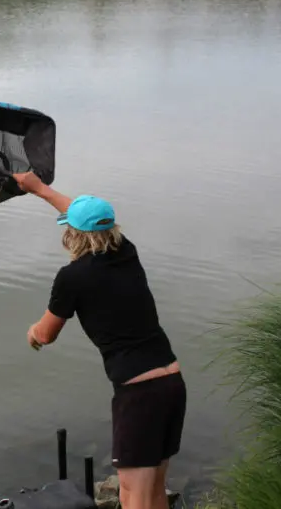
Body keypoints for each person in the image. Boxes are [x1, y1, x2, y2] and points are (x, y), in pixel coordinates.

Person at [11, 171, 186, 509]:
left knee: (133, 492)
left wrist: (33, 332)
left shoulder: (72, 277)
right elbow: (85, 215)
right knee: (153, 489)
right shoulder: (126, 251)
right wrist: (39, 189)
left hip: (139, 394)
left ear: (72, 235)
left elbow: (46, 333)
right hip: (171, 384)